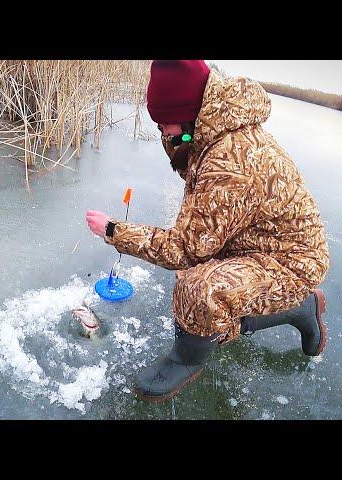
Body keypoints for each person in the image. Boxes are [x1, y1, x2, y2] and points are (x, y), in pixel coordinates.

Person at [85, 60, 329, 403]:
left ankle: (186, 360)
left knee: (198, 288)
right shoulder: (212, 130)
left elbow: (185, 249)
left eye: (165, 124)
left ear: (189, 112)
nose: (164, 133)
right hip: (253, 240)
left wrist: (113, 230)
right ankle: (300, 309)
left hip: (291, 262)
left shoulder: (230, 158)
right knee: (203, 280)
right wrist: (179, 140)